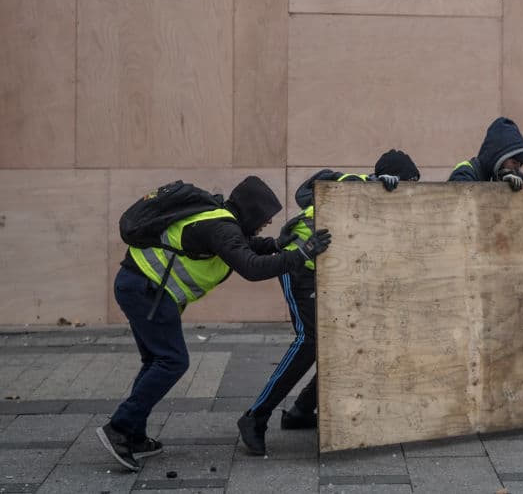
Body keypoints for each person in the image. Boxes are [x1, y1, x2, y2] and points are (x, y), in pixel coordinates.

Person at [97, 176, 331, 472]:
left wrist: (274, 244)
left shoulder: (220, 220)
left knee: (156, 361)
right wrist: (301, 254)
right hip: (146, 290)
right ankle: (119, 428)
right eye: (265, 218)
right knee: (172, 362)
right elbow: (251, 267)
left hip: (141, 287)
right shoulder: (221, 227)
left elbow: (242, 245)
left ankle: (133, 435)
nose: (266, 224)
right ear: (252, 211)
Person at [238, 150, 420, 456]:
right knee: (308, 342)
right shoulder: (355, 185)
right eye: (409, 182)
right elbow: (322, 184)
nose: (412, 190)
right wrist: (372, 183)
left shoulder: (389, 206)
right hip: (299, 268)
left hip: (329, 274)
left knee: (346, 342)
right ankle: (255, 417)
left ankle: (301, 411)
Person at [449, 117, 523, 189]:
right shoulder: (465, 172)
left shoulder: (511, 174)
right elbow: (461, 199)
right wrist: (500, 186)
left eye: (520, 163)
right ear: (498, 159)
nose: (518, 167)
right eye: (514, 162)